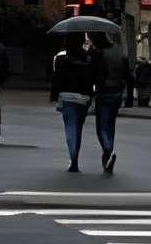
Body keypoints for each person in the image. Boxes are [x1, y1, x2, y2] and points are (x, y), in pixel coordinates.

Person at [50, 32, 99, 170]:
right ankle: (74, 158)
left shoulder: (62, 60)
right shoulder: (88, 59)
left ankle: (73, 158)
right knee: (78, 128)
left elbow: (57, 80)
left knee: (70, 128)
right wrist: (91, 96)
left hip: (67, 97)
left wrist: (54, 96)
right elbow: (91, 80)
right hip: (83, 98)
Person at [94, 42, 133, 174]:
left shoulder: (100, 51)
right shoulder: (120, 51)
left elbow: (96, 72)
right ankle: (107, 156)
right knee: (111, 124)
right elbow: (128, 75)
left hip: (104, 91)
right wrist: (129, 98)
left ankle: (108, 151)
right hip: (117, 91)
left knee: (102, 127)